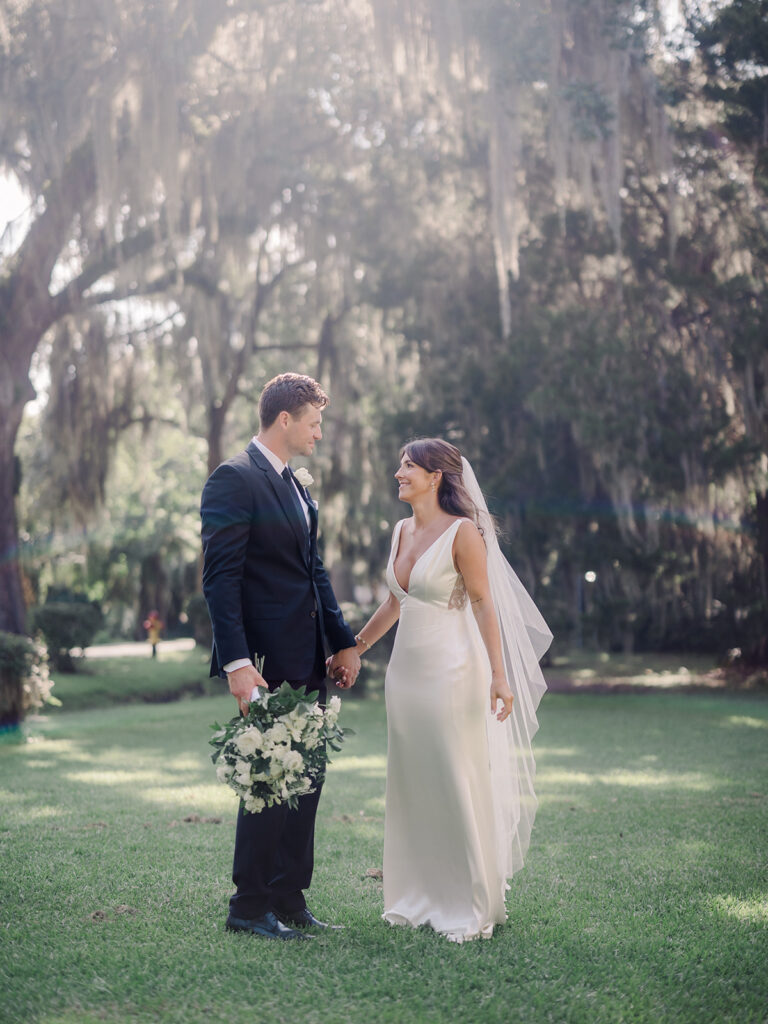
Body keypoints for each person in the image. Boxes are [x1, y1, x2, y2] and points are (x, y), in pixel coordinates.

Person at [348, 438, 551, 943]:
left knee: (453, 775)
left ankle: (467, 902)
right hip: (405, 675)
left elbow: (483, 602)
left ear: (435, 476)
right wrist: (355, 648)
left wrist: (499, 675)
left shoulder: (463, 532)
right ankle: (416, 896)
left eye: (408, 466)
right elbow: (394, 603)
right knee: (412, 781)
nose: (399, 473)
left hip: (453, 671)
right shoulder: (400, 530)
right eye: (400, 465)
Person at [200, 372, 361, 941]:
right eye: (314, 423)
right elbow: (220, 579)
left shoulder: (297, 486)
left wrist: (343, 642)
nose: (319, 433)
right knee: (268, 777)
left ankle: (290, 897)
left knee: (307, 778)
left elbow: (313, 571)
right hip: (266, 662)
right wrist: (237, 663)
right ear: (285, 419)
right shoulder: (234, 478)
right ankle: (248, 906)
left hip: (309, 656)